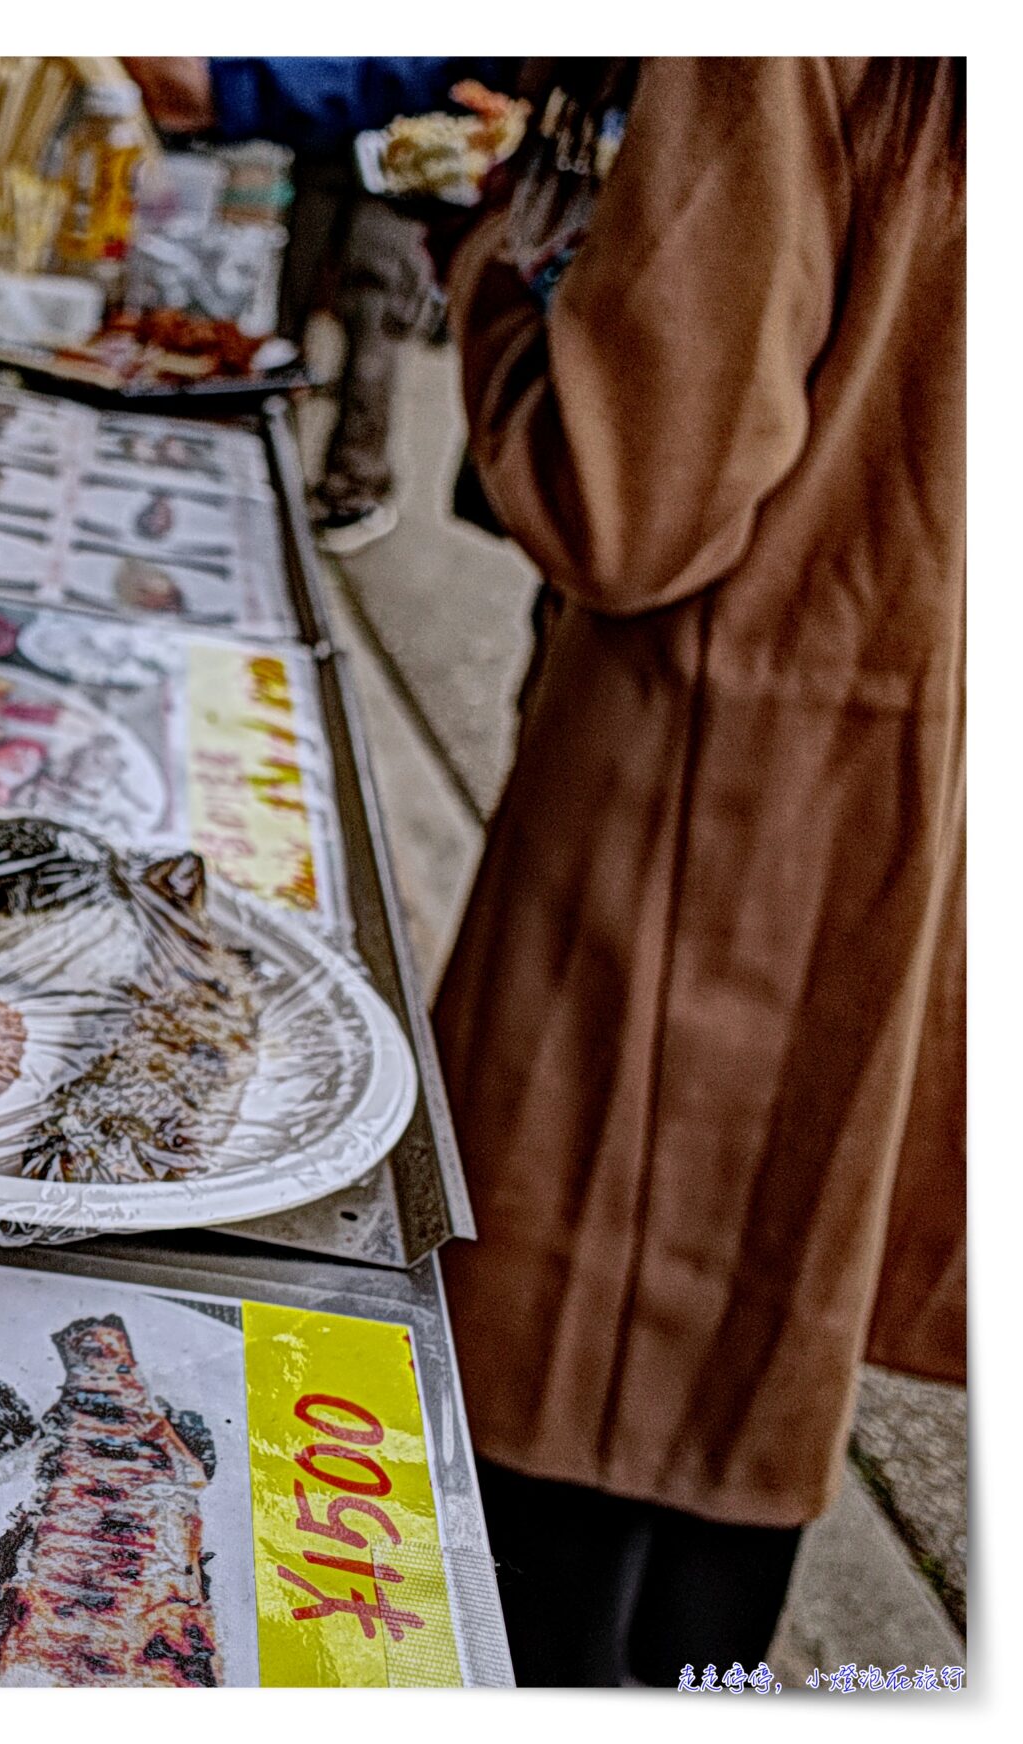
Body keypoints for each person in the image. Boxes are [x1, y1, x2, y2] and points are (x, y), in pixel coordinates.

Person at [424, 58, 965, 1686]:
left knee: (572, 1367)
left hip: (702, 791)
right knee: (756, 1349)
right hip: (905, 785)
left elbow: (628, 494)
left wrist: (510, 270)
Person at [125, 57, 510, 553]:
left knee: (374, 316)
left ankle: (353, 486)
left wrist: (234, 85)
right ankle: (261, 459)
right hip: (326, 130)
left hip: (402, 141)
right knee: (288, 305)